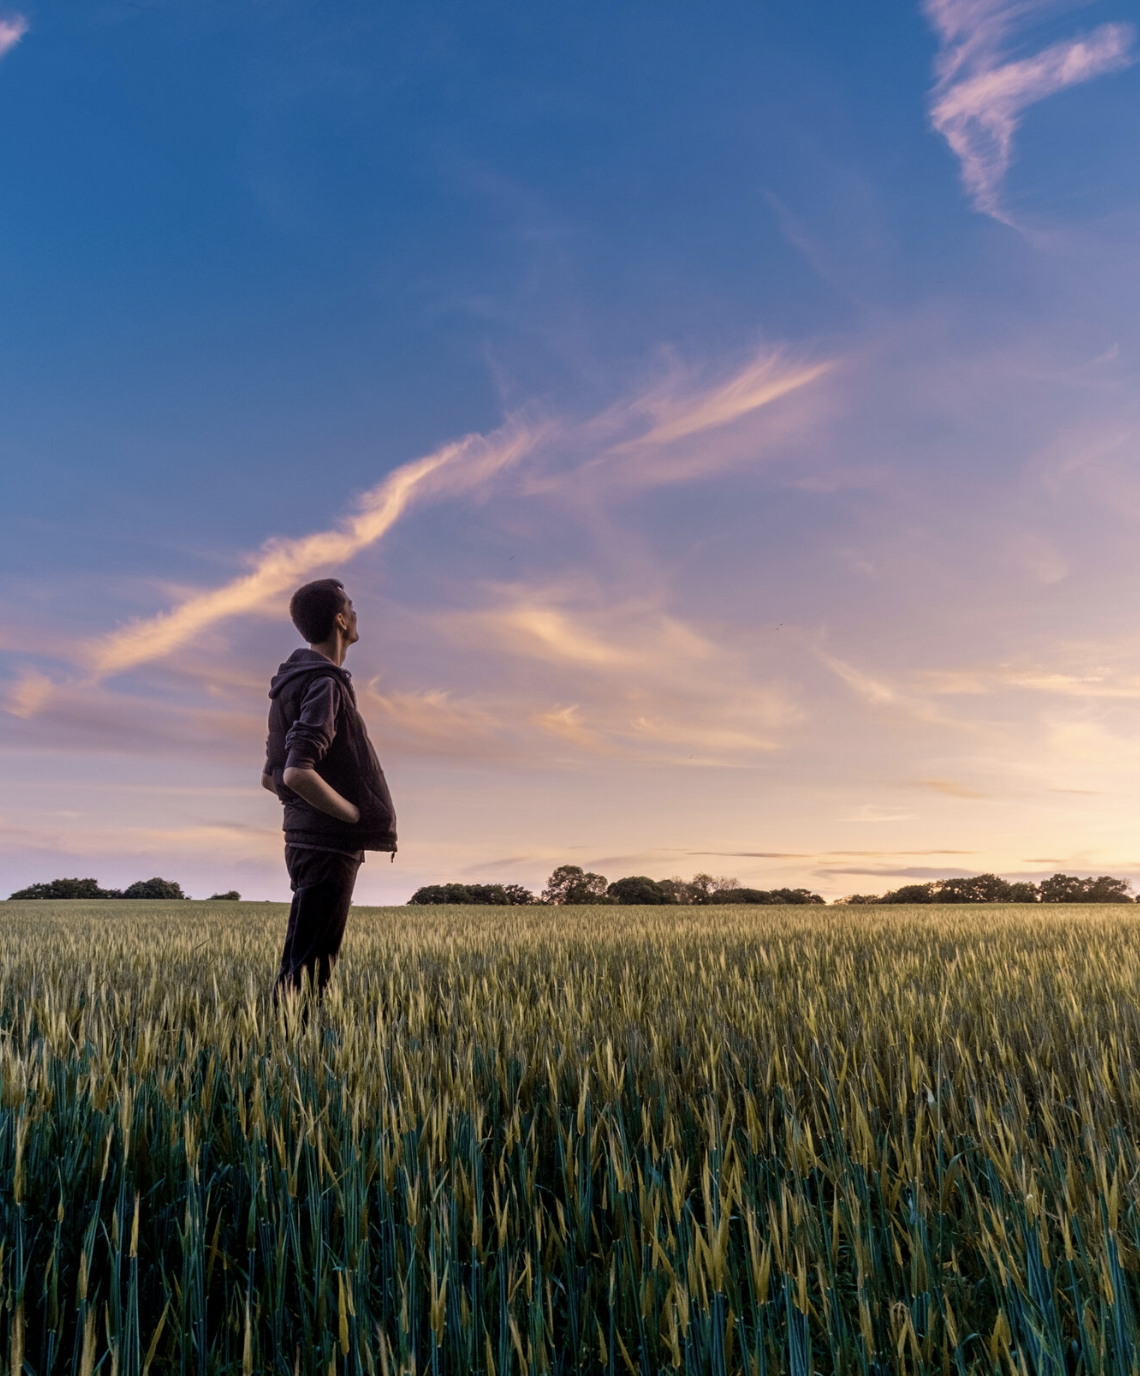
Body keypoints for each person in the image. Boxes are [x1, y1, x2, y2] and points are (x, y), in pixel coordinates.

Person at [262, 578, 396, 996]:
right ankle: (289, 1054)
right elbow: (295, 773)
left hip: (303, 840)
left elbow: (270, 776)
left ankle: (281, 1045)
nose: (356, 613)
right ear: (340, 619)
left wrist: (305, 813)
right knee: (311, 971)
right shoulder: (325, 682)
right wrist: (353, 815)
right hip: (328, 844)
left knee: (301, 961)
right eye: (351, 606)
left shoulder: (290, 684)